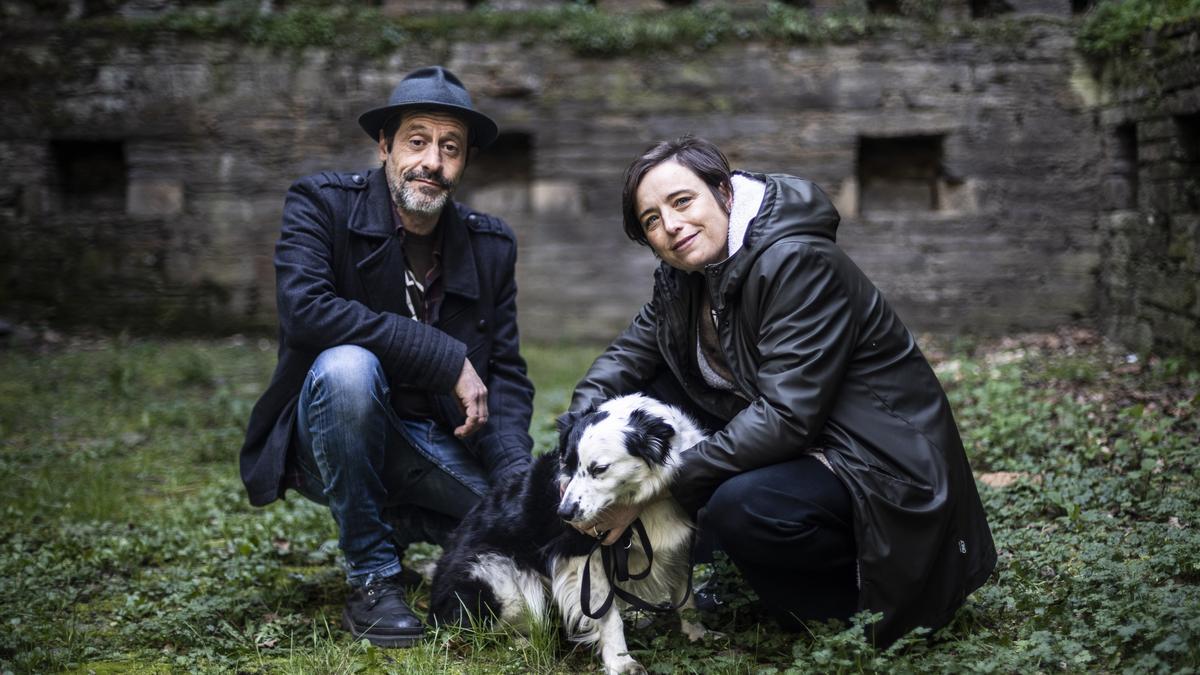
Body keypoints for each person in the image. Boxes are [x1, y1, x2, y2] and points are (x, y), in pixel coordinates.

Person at [568, 136, 996, 646]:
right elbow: (625, 359)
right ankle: (730, 570)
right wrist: (575, 445)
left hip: (878, 464)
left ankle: (853, 614)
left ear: (723, 192)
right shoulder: (684, 276)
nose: (671, 225)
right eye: (652, 220)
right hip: (805, 444)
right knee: (649, 401)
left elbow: (787, 417)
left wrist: (654, 488)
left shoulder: (795, 260)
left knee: (743, 505)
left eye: (682, 201)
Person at [239, 66, 534, 648]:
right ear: (385, 147)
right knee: (349, 366)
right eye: (417, 141)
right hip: (330, 429)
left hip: (434, 442)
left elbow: (503, 371)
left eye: (450, 148)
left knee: (527, 531)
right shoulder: (321, 204)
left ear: (465, 160)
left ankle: (393, 520)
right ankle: (373, 575)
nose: (433, 162)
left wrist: (515, 478)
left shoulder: (491, 242)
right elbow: (306, 312)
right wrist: (443, 356)